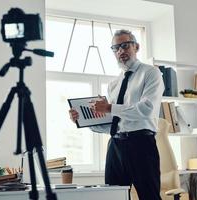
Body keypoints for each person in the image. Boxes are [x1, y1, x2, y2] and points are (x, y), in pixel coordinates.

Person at [69, 29, 164, 200]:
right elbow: (113, 124)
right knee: (112, 195)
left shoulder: (151, 73)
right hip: (115, 146)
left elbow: (146, 109)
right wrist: (83, 120)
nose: (121, 51)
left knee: (149, 196)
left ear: (136, 47)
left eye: (125, 46)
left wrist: (110, 108)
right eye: (116, 48)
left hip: (141, 144)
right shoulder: (114, 84)